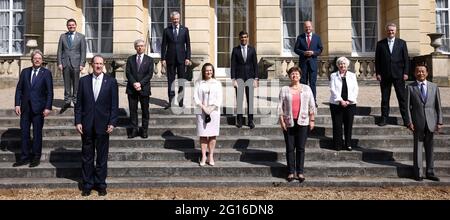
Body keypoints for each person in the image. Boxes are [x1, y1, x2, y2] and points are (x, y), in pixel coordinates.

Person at [75, 55, 119, 196]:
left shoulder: (111, 82)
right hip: (87, 125)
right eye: (96, 63)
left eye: (100, 63)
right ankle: (87, 184)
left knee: (101, 157)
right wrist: (78, 121)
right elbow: (79, 104)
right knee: (87, 157)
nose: (98, 66)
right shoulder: (83, 81)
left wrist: (112, 122)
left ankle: (101, 184)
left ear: (103, 64)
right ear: (91, 64)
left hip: (103, 125)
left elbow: (114, 105)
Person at [13, 50, 53, 168]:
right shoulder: (25, 72)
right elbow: (19, 89)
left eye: (39, 58)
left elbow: (50, 92)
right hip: (25, 108)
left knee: (37, 134)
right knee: (24, 133)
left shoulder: (46, 73)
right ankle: (24, 157)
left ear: (42, 60)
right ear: (32, 59)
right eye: (35, 58)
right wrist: (17, 104)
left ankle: (36, 157)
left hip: (39, 109)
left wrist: (47, 107)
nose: (37, 60)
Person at [405, 64, 443, 182]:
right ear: (415, 73)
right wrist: (409, 122)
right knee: (418, 147)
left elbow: (438, 106)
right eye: (418, 71)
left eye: (422, 71)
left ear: (427, 73)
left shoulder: (434, 87)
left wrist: (440, 121)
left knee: (430, 148)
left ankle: (430, 172)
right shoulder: (410, 87)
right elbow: (406, 107)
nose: (420, 73)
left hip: (431, 121)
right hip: (417, 122)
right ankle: (418, 172)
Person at [278, 66, 316, 182]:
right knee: (290, 148)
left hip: (303, 121)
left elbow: (312, 105)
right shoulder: (284, 89)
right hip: (289, 121)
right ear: (289, 76)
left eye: (297, 74)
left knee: (300, 148)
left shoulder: (307, 88)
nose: (295, 76)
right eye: (292, 74)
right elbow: (280, 106)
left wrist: (312, 120)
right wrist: (281, 121)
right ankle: (290, 172)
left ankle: (300, 172)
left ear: (300, 76)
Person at [375, 23, 409, 126]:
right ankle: (384, 119)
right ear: (386, 31)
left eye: (392, 30)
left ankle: (406, 120)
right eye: (389, 30)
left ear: (396, 31)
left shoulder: (402, 43)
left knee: (402, 98)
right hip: (385, 75)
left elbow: (406, 59)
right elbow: (377, 60)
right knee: (385, 98)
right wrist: (378, 73)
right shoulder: (380, 44)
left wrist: (406, 73)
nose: (391, 32)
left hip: (399, 75)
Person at [193, 63, 223, 166]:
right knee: (203, 134)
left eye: (210, 70)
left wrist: (211, 109)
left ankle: (210, 155)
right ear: (203, 71)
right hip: (201, 111)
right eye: (207, 70)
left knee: (212, 135)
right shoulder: (199, 83)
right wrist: (203, 107)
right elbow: (195, 97)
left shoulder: (217, 83)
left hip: (214, 112)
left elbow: (219, 98)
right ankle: (203, 156)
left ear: (213, 71)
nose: (209, 72)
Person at [161, 11, 191, 109]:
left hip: (182, 59)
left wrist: (188, 58)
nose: (175, 21)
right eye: (174, 19)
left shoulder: (185, 30)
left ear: (179, 19)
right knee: (171, 80)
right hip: (170, 59)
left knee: (181, 80)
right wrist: (163, 59)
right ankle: (171, 101)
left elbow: (188, 45)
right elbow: (163, 46)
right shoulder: (166, 30)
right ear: (171, 19)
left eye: (177, 19)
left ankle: (181, 101)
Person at [329, 57, 359, 151]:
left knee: (348, 124)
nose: (342, 66)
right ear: (338, 65)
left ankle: (348, 144)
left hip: (350, 103)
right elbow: (332, 89)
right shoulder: (333, 75)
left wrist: (349, 101)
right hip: (336, 104)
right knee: (337, 124)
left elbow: (355, 89)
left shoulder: (352, 75)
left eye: (344, 64)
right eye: (340, 64)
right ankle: (337, 144)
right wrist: (340, 100)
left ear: (347, 65)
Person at [126, 39, 154, 139]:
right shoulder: (130, 59)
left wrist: (140, 84)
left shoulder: (150, 60)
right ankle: (134, 130)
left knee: (145, 110)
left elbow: (149, 74)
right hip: (131, 89)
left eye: (142, 46)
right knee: (133, 110)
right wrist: (134, 83)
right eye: (138, 46)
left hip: (144, 89)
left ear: (144, 47)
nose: (140, 47)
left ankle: (144, 130)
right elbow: (128, 73)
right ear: (135, 47)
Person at [57, 18, 86, 113]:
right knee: (67, 83)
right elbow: (59, 51)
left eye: (73, 25)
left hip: (76, 63)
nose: (71, 26)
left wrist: (82, 63)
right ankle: (67, 101)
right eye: (69, 25)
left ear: (76, 25)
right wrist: (59, 62)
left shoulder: (81, 37)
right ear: (67, 26)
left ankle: (76, 100)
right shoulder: (62, 36)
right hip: (65, 63)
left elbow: (83, 51)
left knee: (76, 83)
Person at [231, 30, 258, 129]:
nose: (244, 39)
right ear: (239, 38)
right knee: (239, 100)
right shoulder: (235, 50)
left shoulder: (252, 50)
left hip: (250, 78)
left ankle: (250, 121)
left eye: (245, 37)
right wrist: (233, 79)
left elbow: (255, 64)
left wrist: (256, 78)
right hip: (239, 78)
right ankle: (239, 121)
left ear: (248, 38)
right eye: (242, 37)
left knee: (250, 100)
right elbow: (233, 65)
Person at [294, 21, 323, 106]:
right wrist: (304, 53)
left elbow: (320, 49)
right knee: (303, 83)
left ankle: (313, 101)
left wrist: (313, 53)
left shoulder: (317, 37)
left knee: (313, 83)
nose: (308, 28)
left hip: (313, 64)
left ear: (312, 27)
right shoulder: (300, 37)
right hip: (303, 64)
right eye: (306, 27)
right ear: (304, 28)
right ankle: (303, 101)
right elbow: (295, 49)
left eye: (309, 27)